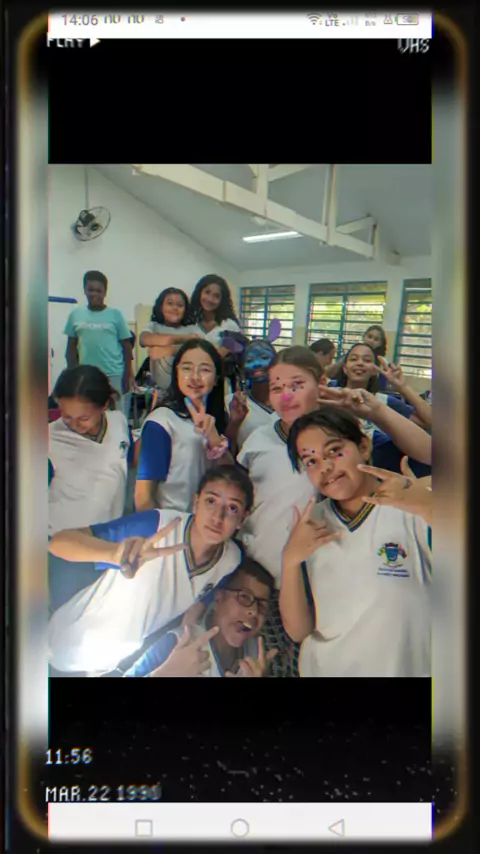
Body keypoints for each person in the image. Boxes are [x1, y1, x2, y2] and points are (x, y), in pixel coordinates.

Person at [237, 346, 432, 677]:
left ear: (321, 383)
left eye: (296, 384)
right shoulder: (260, 440)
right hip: (274, 575)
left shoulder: (403, 505)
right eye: (277, 387)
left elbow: (434, 454)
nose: (325, 467)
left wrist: (375, 410)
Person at [48, 466, 254, 675]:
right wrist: (114, 554)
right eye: (211, 501)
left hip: (113, 662)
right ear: (196, 502)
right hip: (68, 643)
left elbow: (199, 600)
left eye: (232, 508)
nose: (218, 517)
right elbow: (58, 543)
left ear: (242, 520)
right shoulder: (157, 525)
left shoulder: (230, 559)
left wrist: (185, 637)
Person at [281, 407, 432, 677]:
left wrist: (427, 505)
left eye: (334, 451)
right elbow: (298, 631)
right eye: (311, 461)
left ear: (363, 446)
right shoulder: (309, 525)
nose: (325, 467)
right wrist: (290, 561)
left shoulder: (412, 506)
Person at [48, 366, 132, 610]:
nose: (75, 425)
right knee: (67, 614)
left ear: (104, 405)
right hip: (67, 548)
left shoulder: (118, 423)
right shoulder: (47, 440)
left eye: (83, 418)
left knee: (107, 611)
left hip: (109, 540)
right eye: (67, 417)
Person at [123, 558, 277, 677]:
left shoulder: (257, 660)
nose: (254, 611)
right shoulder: (180, 644)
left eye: (262, 606)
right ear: (218, 599)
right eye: (244, 597)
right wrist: (166, 673)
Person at [135, 340, 231, 513]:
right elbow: (143, 497)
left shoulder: (217, 420)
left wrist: (214, 437)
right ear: (176, 373)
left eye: (205, 370)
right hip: (171, 523)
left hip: (205, 523)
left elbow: (229, 476)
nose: (195, 377)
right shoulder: (162, 422)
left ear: (217, 378)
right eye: (187, 368)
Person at [64, 271, 133, 415]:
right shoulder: (76, 315)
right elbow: (71, 347)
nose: (94, 294)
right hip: (88, 375)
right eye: (90, 290)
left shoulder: (115, 315)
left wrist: (128, 374)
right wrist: (73, 373)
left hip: (114, 373)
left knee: (116, 414)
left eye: (98, 290)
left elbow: (126, 347)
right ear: (84, 290)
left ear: (105, 292)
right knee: (90, 413)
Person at [139, 288, 200, 400]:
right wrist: (187, 339)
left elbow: (199, 347)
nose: (175, 308)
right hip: (160, 391)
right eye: (170, 303)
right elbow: (145, 340)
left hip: (188, 389)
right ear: (161, 307)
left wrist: (167, 350)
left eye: (180, 305)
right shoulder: (154, 326)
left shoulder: (192, 328)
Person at [225, 338, 277, 455]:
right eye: (250, 360)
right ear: (242, 368)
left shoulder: (289, 400)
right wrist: (234, 422)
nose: (257, 363)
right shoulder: (232, 402)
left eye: (264, 357)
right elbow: (226, 453)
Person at [186, 274, 242, 353]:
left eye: (216, 296)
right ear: (199, 293)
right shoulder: (190, 323)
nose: (210, 299)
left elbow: (238, 352)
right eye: (207, 292)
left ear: (222, 300)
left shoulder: (229, 325)